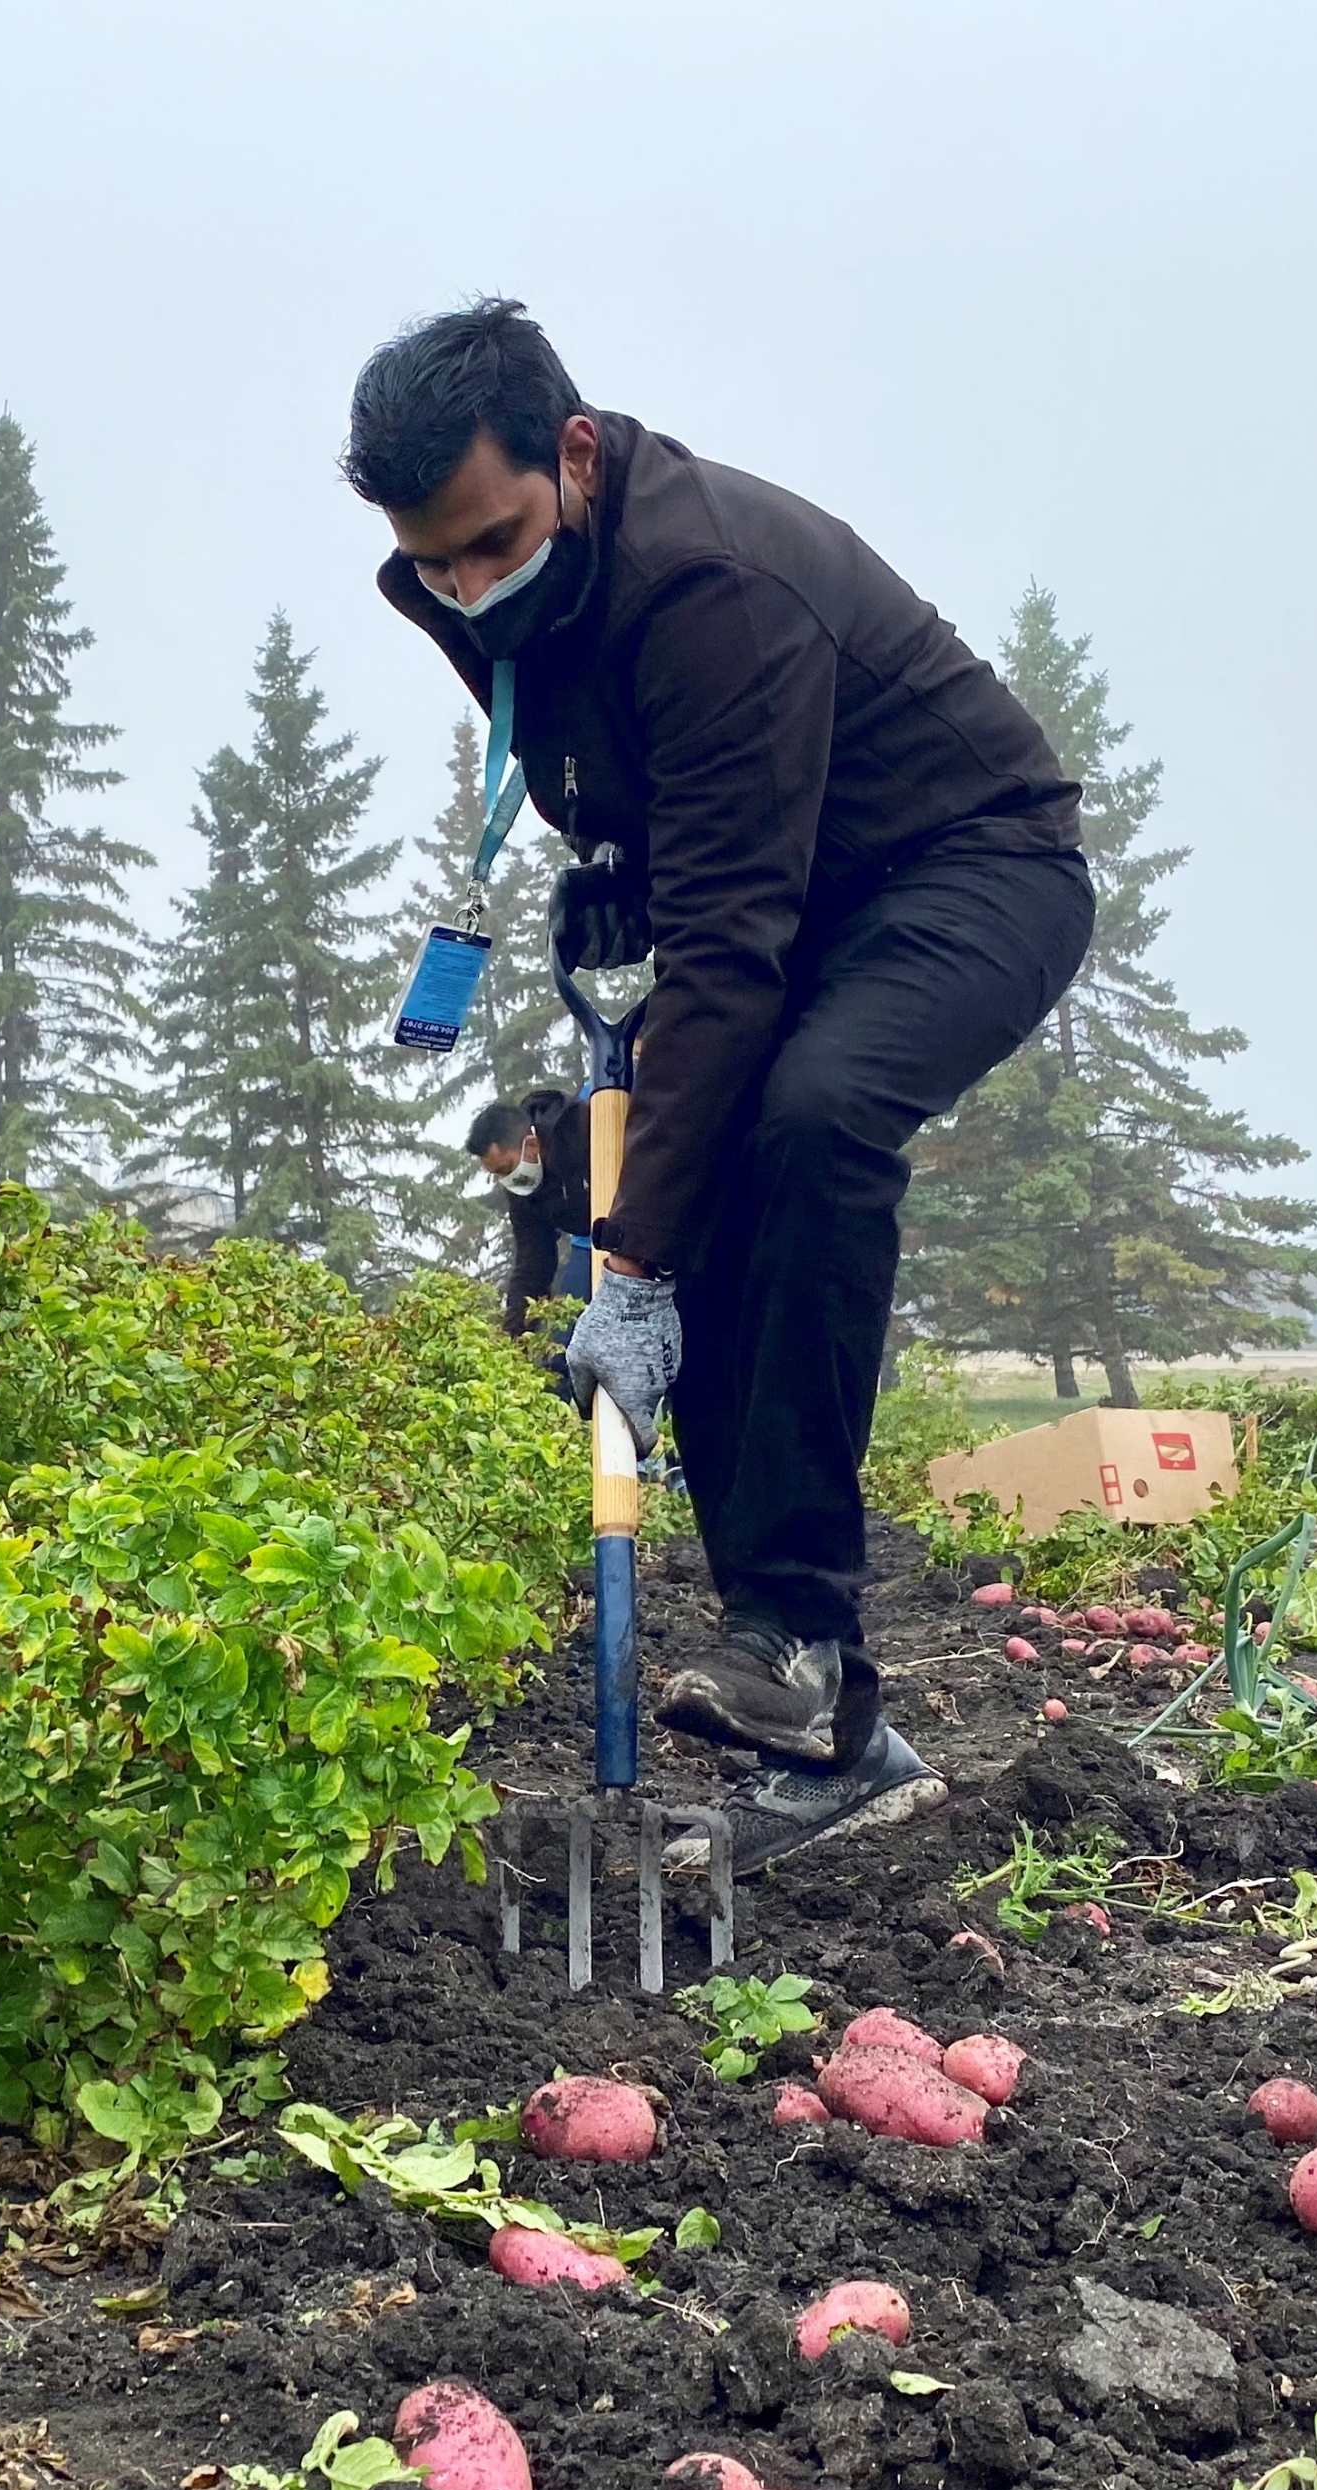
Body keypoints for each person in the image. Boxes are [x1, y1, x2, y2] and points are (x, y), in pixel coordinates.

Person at [347, 299, 1094, 1869]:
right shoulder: (473, 580)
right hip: (795, 889)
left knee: (804, 1126)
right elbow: (623, 767)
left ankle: (799, 1648)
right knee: (726, 1153)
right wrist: (614, 864)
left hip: (969, 870)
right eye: (436, 564)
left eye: (491, 544)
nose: (468, 590)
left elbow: (736, 956)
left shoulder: (719, 586)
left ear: (575, 451)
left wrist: (624, 1266)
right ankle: (825, 1734)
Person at [465, 1087, 594, 1334]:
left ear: (532, 1144)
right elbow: (532, 1266)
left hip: (644, 1227)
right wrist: (513, 1346)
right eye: (497, 1174)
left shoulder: (584, 1126)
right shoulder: (522, 1190)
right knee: (563, 1348)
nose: (507, 1180)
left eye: (506, 1168)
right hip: (589, 1242)